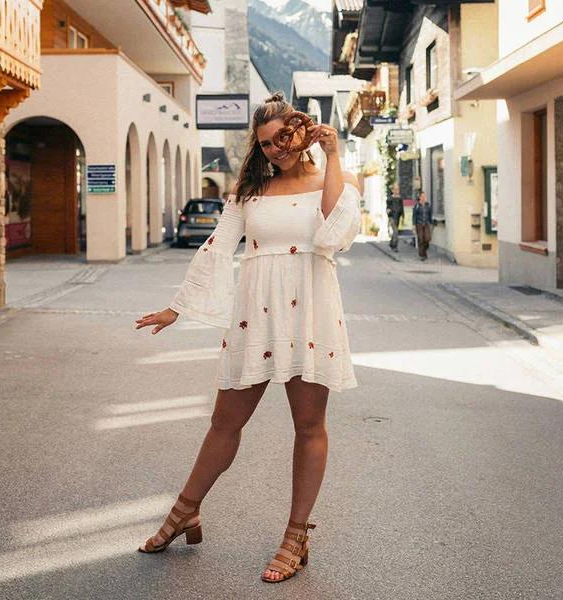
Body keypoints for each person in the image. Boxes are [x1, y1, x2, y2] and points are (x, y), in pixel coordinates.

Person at [135, 91, 361, 584]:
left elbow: (333, 236)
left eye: (282, 138)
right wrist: (177, 307)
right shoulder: (249, 191)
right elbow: (217, 247)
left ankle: (296, 536)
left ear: (301, 130)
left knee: (309, 425)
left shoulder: (336, 179)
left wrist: (333, 155)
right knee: (224, 422)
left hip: (311, 314)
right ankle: (185, 511)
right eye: (265, 144)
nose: (275, 149)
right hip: (255, 315)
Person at [412, 190, 433, 261]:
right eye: (422, 197)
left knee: (427, 239)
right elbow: (414, 216)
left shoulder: (428, 205)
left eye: (424, 196)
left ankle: (424, 251)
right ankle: (422, 255)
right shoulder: (417, 205)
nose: (423, 198)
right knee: (421, 239)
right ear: (420, 197)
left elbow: (430, 215)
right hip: (419, 224)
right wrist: (414, 224)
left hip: (426, 224)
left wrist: (431, 223)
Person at [386, 183, 403, 252]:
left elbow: (402, 208)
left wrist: (403, 216)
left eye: (397, 189)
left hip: (398, 217)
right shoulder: (390, 198)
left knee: (396, 232)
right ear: (393, 190)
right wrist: (388, 212)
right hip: (392, 217)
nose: (396, 191)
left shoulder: (400, 198)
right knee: (395, 231)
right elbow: (387, 208)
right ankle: (395, 246)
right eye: (395, 189)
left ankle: (391, 243)